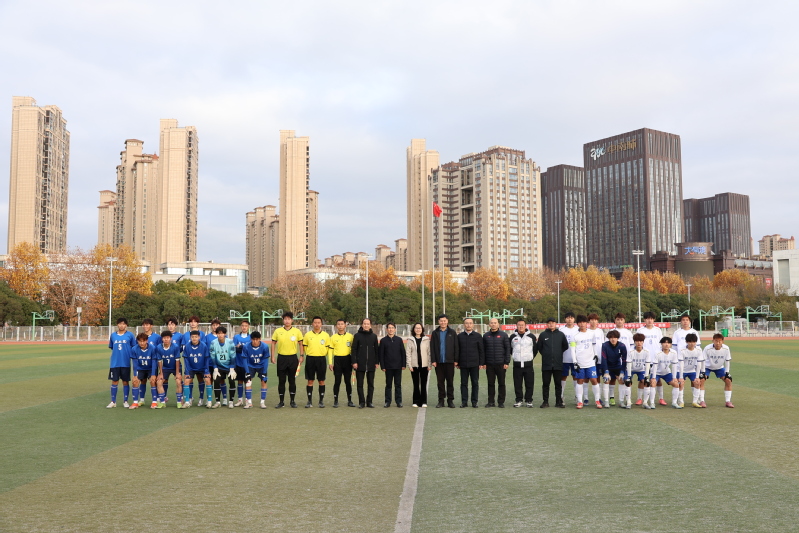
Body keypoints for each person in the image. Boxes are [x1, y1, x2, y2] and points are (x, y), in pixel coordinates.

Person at [271, 312, 304, 408]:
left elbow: (301, 344)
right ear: (283, 320)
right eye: (285, 319)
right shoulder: (278, 331)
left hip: (293, 358)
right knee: (281, 381)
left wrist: (301, 355)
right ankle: (281, 402)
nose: (287, 321)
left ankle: (292, 401)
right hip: (281, 358)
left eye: (289, 319)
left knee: (292, 380)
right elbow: (273, 343)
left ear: (292, 320)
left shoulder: (297, 331)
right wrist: (272, 356)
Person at [535, 318, 568, 408]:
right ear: (547, 324)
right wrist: (546, 354)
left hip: (558, 364)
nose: (551, 324)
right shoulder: (543, 335)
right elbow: (539, 347)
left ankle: (558, 402)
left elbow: (565, 346)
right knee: (546, 384)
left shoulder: (561, 335)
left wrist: (558, 353)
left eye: (553, 323)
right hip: (546, 364)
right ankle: (545, 402)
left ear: (555, 324)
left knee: (558, 384)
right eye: (549, 323)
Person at [636, 312, 666, 406]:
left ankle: (661, 398)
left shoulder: (658, 330)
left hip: (656, 359)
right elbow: (637, 344)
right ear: (644, 319)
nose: (650, 320)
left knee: (658, 380)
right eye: (648, 318)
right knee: (642, 380)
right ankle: (639, 398)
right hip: (644, 359)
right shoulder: (640, 330)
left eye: (651, 319)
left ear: (654, 320)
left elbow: (662, 344)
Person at [430, 314, 459, 408]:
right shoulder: (435, 333)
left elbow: (456, 347)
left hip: (450, 362)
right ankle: (441, 401)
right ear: (438, 322)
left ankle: (450, 400)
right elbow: (432, 347)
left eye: (444, 321)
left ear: (447, 321)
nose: (443, 322)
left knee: (450, 382)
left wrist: (456, 360)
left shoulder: (452, 332)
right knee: (440, 382)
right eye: (441, 321)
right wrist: (433, 360)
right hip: (439, 362)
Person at [573, 315, 602, 409]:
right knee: (580, 380)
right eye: (580, 322)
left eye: (584, 322)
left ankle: (597, 400)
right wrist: (574, 362)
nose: (582, 324)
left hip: (590, 362)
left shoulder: (591, 333)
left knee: (594, 380)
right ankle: (580, 401)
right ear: (577, 324)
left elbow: (594, 345)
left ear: (586, 323)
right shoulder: (575, 336)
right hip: (580, 362)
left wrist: (596, 354)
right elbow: (572, 350)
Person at [671, 314, 700, 407]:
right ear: (681, 321)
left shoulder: (694, 332)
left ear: (689, 321)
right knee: (680, 382)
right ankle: (681, 401)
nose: (685, 321)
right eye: (683, 320)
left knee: (695, 381)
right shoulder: (677, 333)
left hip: (691, 361)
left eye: (687, 320)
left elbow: (698, 347)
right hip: (680, 360)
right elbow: (674, 347)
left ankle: (696, 400)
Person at [699, 333, 734, 408]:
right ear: (713, 341)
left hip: (719, 367)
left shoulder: (726, 348)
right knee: (701, 380)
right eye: (716, 341)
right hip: (707, 367)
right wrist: (703, 372)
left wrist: (727, 372)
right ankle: (701, 401)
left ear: (722, 341)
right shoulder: (707, 348)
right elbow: (703, 360)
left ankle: (728, 401)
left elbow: (727, 360)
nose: (718, 343)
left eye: (719, 341)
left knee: (728, 380)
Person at [107, 317, 136, 408]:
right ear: (117, 325)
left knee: (125, 381)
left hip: (125, 362)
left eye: (123, 324)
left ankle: (125, 401)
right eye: (120, 323)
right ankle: (113, 401)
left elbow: (134, 347)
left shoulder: (130, 335)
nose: (121, 325)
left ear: (126, 325)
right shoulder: (113, 335)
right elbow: (112, 347)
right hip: (115, 362)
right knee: (114, 381)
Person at [351, 317, 379, 408]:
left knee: (371, 384)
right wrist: (354, 362)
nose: (366, 325)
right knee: (360, 384)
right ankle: (362, 402)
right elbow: (354, 350)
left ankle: (369, 402)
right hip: (360, 364)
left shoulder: (374, 336)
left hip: (371, 364)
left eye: (368, 324)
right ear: (362, 325)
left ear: (370, 325)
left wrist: (376, 362)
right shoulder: (357, 336)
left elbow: (376, 350)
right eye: (364, 323)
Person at [303, 316, 331, 408]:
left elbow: (328, 348)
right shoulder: (307, 335)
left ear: (321, 324)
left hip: (321, 359)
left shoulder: (326, 335)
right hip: (310, 359)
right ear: (312, 324)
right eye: (315, 322)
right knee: (310, 380)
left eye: (318, 322)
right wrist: (310, 354)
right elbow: (305, 347)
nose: (317, 324)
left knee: (321, 380)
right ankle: (309, 401)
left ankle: (321, 401)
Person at [457, 318, 484, 408]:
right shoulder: (460, 336)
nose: (468, 325)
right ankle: (464, 402)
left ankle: (474, 402)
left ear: (473, 325)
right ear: (464, 325)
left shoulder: (478, 336)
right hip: (463, 364)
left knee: (475, 383)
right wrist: (458, 362)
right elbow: (457, 350)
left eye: (470, 323)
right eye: (466, 323)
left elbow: (481, 350)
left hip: (474, 364)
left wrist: (481, 363)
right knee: (463, 383)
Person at [483, 318, 510, 408]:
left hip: (501, 364)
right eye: (492, 323)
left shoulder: (504, 335)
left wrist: (506, 362)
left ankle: (501, 402)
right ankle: (491, 402)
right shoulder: (486, 336)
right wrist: (484, 362)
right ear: (489, 324)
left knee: (501, 383)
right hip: (489, 364)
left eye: (495, 323)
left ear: (498, 324)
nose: (493, 324)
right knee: (490, 383)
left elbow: (507, 349)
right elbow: (483, 350)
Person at [181, 330, 213, 408]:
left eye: (196, 337)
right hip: (191, 368)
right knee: (186, 381)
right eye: (192, 337)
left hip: (202, 368)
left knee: (208, 380)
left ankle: (209, 401)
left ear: (199, 337)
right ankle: (187, 402)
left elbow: (206, 359)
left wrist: (206, 371)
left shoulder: (204, 346)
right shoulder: (187, 346)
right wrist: (187, 372)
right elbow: (186, 360)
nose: (194, 338)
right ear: (190, 337)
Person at [208, 326, 237, 408]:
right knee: (216, 381)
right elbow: (213, 356)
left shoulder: (230, 342)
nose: (220, 335)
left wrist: (232, 369)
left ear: (225, 334)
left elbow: (233, 356)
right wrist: (215, 368)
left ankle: (231, 401)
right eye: (218, 333)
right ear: (216, 334)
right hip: (219, 366)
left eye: (222, 333)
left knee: (232, 381)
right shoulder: (213, 343)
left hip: (229, 366)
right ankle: (217, 401)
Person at [509, 319, 536, 408]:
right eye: (519, 325)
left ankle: (529, 400)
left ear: (525, 326)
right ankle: (519, 400)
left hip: (528, 364)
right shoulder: (513, 337)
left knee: (529, 383)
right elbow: (510, 349)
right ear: (516, 326)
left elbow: (535, 349)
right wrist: (515, 356)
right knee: (517, 383)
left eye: (522, 325)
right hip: (517, 364)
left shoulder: (531, 336)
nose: (520, 326)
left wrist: (530, 357)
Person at [329, 319, 355, 408]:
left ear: (345, 325)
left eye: (342, 324)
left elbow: (354, 350)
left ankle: (350, 400)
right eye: (338, 324)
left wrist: (354, 361)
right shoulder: (333, 337)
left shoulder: (350, 336)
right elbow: (330, 351)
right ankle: (336, 401)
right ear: (336, 326)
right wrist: (330, 362)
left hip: (347, 360)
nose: (340, 326)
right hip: (337, 360)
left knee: (348, 381)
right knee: (337, 381)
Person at [649, 337, 681, 409]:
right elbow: (655, 366)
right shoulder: (657, 353)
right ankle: (652, 403)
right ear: (661, 344)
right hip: (656, 373)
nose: (666, 344)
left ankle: (674, 403)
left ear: (671, 344)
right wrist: (653, 378)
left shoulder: (674, 352)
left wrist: (674, 377)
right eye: (665, 343)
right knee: (653, 384)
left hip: (667, 372)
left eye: (668, 343)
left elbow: (674, 365)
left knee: (676, 384)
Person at [609, 313, 634, 405]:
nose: (619, 321)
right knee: (612, 379)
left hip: (625, 360)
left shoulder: (628, 332)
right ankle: (611, 397)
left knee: (623, 379)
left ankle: (623, 399)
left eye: (621, 319)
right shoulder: (611, 332)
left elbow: (631, 347)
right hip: (613, 360)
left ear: (624, 321)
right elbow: (607, 346)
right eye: (618, 319)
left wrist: (630, 358)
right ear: (615, 320)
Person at [130, 333, 160, 409]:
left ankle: (154, 402)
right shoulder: (134, 349)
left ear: (147, 341)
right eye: (140, 341)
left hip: (150, 368)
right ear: (137, 341)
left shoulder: (152, 348)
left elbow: (154, 362)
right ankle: (136, 402)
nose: (142, 343)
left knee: (153, 381)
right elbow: (135, 363)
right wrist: (135, 375)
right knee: (135, 382)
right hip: (140, 368)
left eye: (144, 341)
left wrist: (153, 374)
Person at [155, 330, 184, 408]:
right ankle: (162, 402)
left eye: (168, 338)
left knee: (178, 381)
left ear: (171, 338)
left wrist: (177, 373)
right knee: (159, 382)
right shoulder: (159, 347)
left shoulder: (175, 347)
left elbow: (177, 360)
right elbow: (159, 361)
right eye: (164, 338)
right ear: (162, 339)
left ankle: (179, 402)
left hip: (175, 367)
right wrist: (161, 373)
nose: (166, 339)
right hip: (165, 367)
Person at [379, 323, 405, 407]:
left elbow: (403, 353)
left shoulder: (399, 340)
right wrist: (383, 366)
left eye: (392, 328)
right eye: (389, 328)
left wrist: (403, 364)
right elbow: (381, 354)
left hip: (398, 366)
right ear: (387, 329)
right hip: (388, 367)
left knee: (398, 385)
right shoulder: (383, 340)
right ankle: (387, 401)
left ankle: (399, 401)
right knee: (388, 385)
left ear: (395, 329)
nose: (391, 329)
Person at [600, 330, 628, 408]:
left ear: (617, 338)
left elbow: (624, 359)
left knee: (621, 381)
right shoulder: (605, 345)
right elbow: (603, 358)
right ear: (608, 338)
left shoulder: (622, 346)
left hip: (617, 366)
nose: (613, 339)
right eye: (611, 338)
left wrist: (622, 371)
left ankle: (621, 401)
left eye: (615, 337)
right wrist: (606, 371)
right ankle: (606, 401)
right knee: (606, 380)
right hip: (607, 366)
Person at [406, 323, 431, 408]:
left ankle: (423, 401)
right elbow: (408, 353)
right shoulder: (410, 340)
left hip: (424, 365)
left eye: (419, 328)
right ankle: (416, 401)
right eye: (416, 328)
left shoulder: (426, 340)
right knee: (416, 384)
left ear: (422, 329)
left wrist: (429, 364)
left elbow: (429, 353)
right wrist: (409, 365)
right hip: (414, 365)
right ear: (414, 329)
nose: (418, 329)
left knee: (423, 384)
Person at [243, 330, 269, 408]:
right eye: (253, 339)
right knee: (248, 382)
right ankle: (249, 403)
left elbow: (266, 360)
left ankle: (262, 402)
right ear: (251, 339)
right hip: (251, 366)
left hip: (261, 366)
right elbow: (244, 360)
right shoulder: (246, 347)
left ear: (259, 339)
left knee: (264, 381)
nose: (255, 341)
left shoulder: (265, 346)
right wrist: (247, 372)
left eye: (256, 339)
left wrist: (264, 372)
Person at [558, 312, 580, 406]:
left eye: (571, 317)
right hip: (564, 358)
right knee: (563, 377)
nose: (570, 319)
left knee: (576, 377)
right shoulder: (561, 330)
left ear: (574, 319)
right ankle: (561, 396)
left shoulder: (578, 329)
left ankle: (577, 396)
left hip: (576, 358)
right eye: (568, 318)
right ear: (565, 319)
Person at [626, 333, 652, 408]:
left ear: (643, 342)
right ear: (634, 342)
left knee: (646, 382)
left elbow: (647, 363)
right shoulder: (630, 351)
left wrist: (646, 376)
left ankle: (644, 402)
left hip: (641, 369)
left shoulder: (647, 351)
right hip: (631, 369)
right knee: (628, 382)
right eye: (637, 341)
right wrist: (629, 376)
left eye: (641, 341)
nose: (639, 343)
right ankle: (628, 402)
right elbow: (629, 363)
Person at [680, 333, 704, 408]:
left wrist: (697, 377)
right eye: (690, 342)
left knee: (697, 383)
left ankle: (695, 401)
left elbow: (699, 363)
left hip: (692, 370)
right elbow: (681, 364)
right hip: (682, 370)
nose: (692, 343)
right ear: (686, 342)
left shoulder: (698, 350)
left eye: (694, 342)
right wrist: (681, 377)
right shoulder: (682, 350)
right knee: (681, 384)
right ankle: (681, 401)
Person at [585, 313, 605, 404]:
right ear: (589, 321)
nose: (593, 321)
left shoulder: (600, 331)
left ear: (597, 321)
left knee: (597, 378)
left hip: (599, 358)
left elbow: (603, 344)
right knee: (586, 378)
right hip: (588, 358)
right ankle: (585, 398)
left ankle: (598, 398)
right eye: (592, 320)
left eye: (595, 320)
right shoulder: (586, 331)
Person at [231, 320, 252, 407]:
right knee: (239, 381)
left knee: (248, 382)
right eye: (243, 325)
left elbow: (250, 350)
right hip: (238, 363)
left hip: (248, 364)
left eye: (246, 326)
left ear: (248, 327)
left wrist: (241, 346)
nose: (244, 327)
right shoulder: (236, 337)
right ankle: (240, 400)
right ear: (240, 326)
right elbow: (234, 349)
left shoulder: (251, 337)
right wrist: (243, 348)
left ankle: (248, 400)